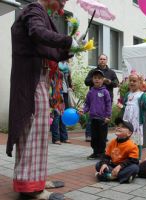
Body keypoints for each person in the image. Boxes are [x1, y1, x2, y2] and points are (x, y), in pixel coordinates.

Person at [6, 0, 78, 199]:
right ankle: (31, 189)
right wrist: (66, 41)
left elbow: (46, 49)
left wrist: (71, 49)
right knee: (32, 133)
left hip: (38, 79)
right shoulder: (34, 10)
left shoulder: (40, 12)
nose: (65, 1)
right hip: (32, 81)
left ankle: (36, 178)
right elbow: (38, 33)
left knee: (36, 133)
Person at [84, 54, 119, 141]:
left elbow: (116, 83)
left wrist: (108, 81)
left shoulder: (111, 72)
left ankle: (103, 136)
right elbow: (86, 82)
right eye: (100, 59)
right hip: (94, 98)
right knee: (92, 117)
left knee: (105, 118)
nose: (102, 60)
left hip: (107, 98)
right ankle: (89, 135)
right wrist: (95, 80)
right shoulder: (93, 71)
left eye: (104, 59)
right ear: (98, 60)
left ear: (106, 61)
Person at [95, 118, 139, 183]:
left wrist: (120, 166)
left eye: (123, 127)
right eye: (118, 126)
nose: (118, 128)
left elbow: (133, 160)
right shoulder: (112, 142)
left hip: (124, 166)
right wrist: (104, 164)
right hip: (113, 165)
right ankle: (123, 177)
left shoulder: (132, 145)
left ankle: (110, 176)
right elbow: (106, 156)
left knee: (135, 168)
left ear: (129, 133)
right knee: (98, 165)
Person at [81, 69, 112, 160]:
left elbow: (108, 104)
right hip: (93, 118)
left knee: (102, 137)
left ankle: (102, 153)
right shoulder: (90, 92)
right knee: (94, 137)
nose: (97, 80)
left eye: (99, 78)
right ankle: (95, 152)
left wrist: (108, 116)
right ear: (92, 80)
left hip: (103, 119)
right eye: (95, 78)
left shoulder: (105, 92)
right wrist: (84, 110)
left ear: (103, 80)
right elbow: (87, 104)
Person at [120, 71, 146, 159]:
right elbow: (126, 106)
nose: (132, 82)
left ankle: (137, 158)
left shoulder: (141, 95)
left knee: (136, 140)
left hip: (136, 122)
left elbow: (144, 108)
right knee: (126, 138)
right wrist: (122, 107)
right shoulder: (127, 94)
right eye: (130, 81)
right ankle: (126, 156)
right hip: (127, 121)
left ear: (140, 83)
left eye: (134, 81)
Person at [49, 62, 71, 144]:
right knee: (56, 115)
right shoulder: (51, 72)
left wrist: (70, 87)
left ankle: (64, 137)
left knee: (63, 114)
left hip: (62, 94)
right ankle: (56, 138)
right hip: (54, 95)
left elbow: (68, 81)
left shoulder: (63, 72)